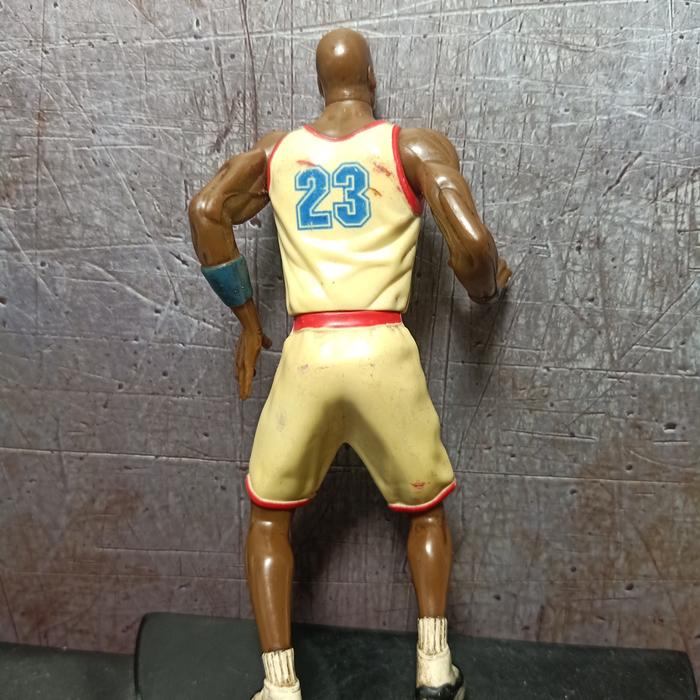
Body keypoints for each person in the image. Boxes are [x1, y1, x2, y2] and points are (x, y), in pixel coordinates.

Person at [189, 27, 511, 700]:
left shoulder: (279, 153)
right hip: (381, 347)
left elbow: (206, 209)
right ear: (372, 80)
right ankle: (434, 667)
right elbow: (474, 244)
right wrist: (487, 289)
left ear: (320, 84)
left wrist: (250, 322)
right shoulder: (411, 147)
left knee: (270, 518)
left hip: (309, 350)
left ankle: (279, 686)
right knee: (424, 511)